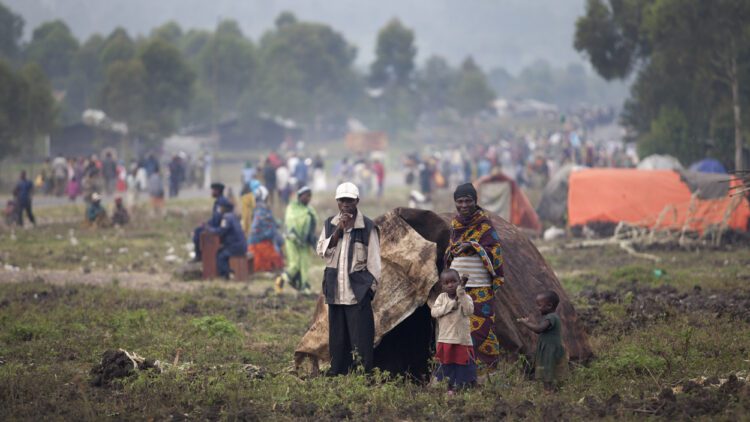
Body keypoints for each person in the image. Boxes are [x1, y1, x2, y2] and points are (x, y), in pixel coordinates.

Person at [316, 182, 381, 375]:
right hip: (335, 293)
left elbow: (375, 264)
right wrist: (338, 231)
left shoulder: (368, 227)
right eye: (342, 200)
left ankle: (362, 374)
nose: (346, 204)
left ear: (357, 201)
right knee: (337, 338)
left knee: (361, 338)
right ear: (337, 202)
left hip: (357, 294)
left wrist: (369, 291)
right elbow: (322, 252)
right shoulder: (329, 224)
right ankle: (338, 372)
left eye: (349, 200)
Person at [444, 182, 504, 372]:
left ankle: (488, 372)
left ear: (475, 201)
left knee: (484, 328)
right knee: (458, 328)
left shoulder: (484, 224)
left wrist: (474, 247)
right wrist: (452, 251)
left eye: (468, 201)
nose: (464, 205)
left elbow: (495, 251)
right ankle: (462, 371)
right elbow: (450, 249)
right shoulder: (455, 224)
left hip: (480, 287)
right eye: (459, 201)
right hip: (458, 288)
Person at [432, 269, 477, 393]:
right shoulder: (441, 298)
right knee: (447, 364)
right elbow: (434, 312)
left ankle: (463, 387)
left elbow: (469, 311)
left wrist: (461, 295)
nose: (450, 285)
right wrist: (450, 305)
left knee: (462, 365)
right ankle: (448, 387)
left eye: (453, 281)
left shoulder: (465, 297)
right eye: (446, 283)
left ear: (459, 282)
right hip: (446, 338)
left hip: (462, 340)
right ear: (442, 285)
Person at [517, 291, 568, 392]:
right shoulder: (551, 317)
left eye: (539, 305)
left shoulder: (551, 317)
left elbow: (538, 329)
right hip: (549, 348)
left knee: (547, 368)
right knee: (551, 368)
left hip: (550, 349)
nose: (538, 308)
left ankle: (548, 391)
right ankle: (555, 389)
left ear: (549, 305)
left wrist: (525, 323)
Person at [276, 186, 318, 294]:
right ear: (300, 196)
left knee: (304, 264)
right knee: (294, 265)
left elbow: (313, 225)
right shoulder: (292, 208)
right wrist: (296, 236)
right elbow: (290, 224)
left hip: (304, 242)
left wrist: (311, 240)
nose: (308, 198)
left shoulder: (310, 210)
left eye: (310, 196)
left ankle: (304, 287)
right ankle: (281, 280)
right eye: (306, 196)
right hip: (292, 240)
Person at [247, 186, 284, 273]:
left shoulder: (258, 210)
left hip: (259, 240)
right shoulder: (262, 211)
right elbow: (269, 228)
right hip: (260, 242)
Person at [192, 183, 231, 262]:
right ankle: (200, 255)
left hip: (219, 228)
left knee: (197, 233)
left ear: (217, 191)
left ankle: (199, 256)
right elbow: (215, 218)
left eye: (213, 190)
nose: (212, 192)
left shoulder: (222, 203)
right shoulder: (220, 201)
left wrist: (208, 226)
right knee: (198, 230)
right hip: (216, 226)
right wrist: (206, 223)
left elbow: (218, 219)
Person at [209, 201, 247, 279]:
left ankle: (226, 274)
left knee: (220, 256)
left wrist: (209, 229)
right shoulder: (234, 216)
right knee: (221, 251)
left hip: (235, 247)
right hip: (241, 246)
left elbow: (221, 231)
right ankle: (227, 272)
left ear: (224, 209)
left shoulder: (226, 218)